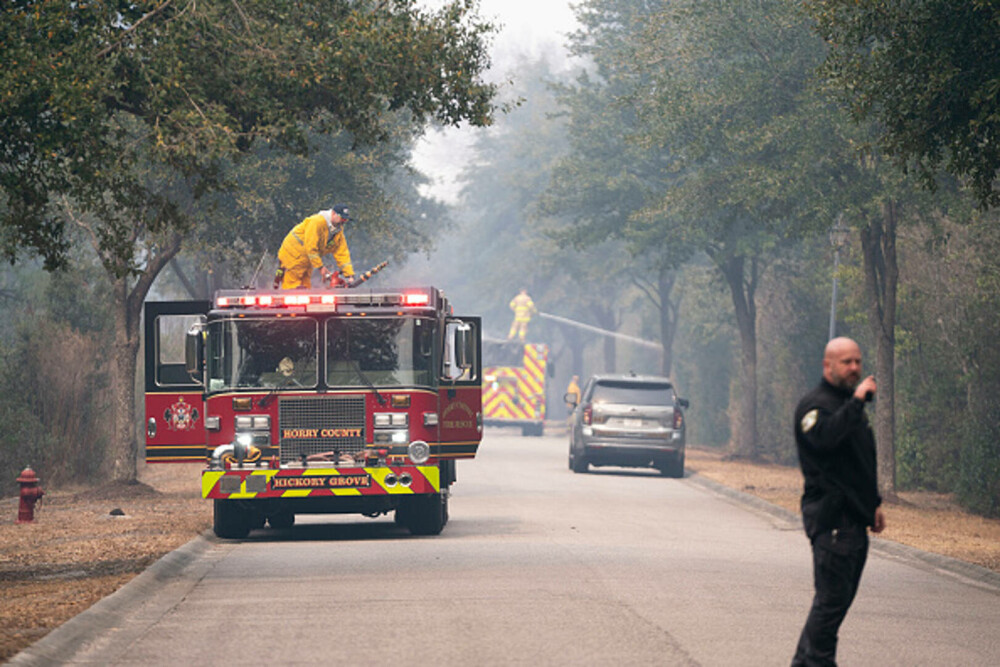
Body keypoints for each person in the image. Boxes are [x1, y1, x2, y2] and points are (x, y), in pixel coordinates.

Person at [791, 336, 886, 667]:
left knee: (834, 605)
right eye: (846, 362)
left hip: (854, 521)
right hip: (833, 523)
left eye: (858, 361)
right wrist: (857, 402)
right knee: (830, 605)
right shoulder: (815, 407)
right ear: (827, 365)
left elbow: (857, 462)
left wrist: (872, 504)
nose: (854, 369)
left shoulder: (849, 408)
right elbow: (827, 439)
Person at [275, 205, 355, 289]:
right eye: (342, 218)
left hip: (306, 259)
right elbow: (311, 247)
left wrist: (349, 275)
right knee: (293, 288)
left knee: (305, 287)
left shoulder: (337, 231)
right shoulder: (317, 222)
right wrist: (320, 267)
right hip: (292, 255)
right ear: (333, 213)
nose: (343, 221)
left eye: (345, 219)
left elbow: (342, 253)